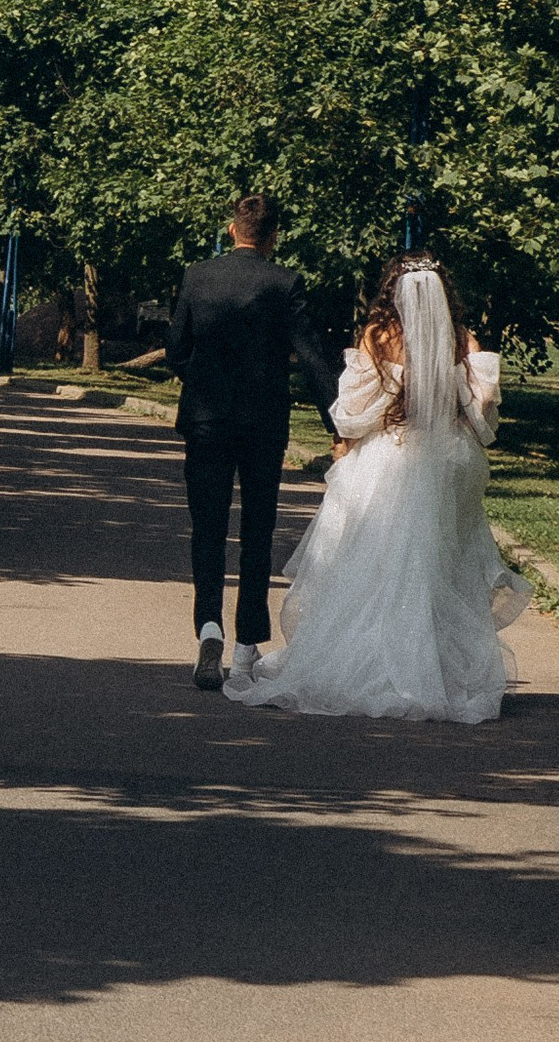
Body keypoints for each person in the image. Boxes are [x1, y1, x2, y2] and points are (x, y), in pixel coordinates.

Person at [226, 250, 527, 723]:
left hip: (388, 457)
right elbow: (484, 405)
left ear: (393, 291)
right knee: (437, 566)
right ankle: (436, 672)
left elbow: (353, 407)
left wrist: (350, 436)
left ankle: (365, 663)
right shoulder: (461, 339)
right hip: (445, 462)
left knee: (370, 564)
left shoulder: (379, 336)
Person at [129, 197, 340, 690]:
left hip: (206, 419)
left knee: (207, 529)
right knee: (257, 532)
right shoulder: (285, 283)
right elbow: (313, 358)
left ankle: (208, 629)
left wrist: (203, 381)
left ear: (231, 229)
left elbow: (177, 349)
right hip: (263, 423)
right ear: (274, 237)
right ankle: (248, 646)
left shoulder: (198, 277)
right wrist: (338, 422)